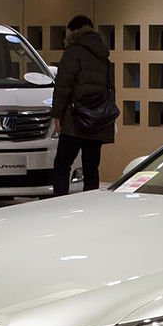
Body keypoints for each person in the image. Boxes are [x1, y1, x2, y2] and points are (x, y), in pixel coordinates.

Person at [51, 15, 114, 196]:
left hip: (75, 120)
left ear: (73, 31)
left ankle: (59, 203)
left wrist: (57, 115)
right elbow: (110, 88)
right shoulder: (103, 54)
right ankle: (90, 205)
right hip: (97, 120)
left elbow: (63, 86)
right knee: (91, 168)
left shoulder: (73, 51)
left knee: (62, 164)